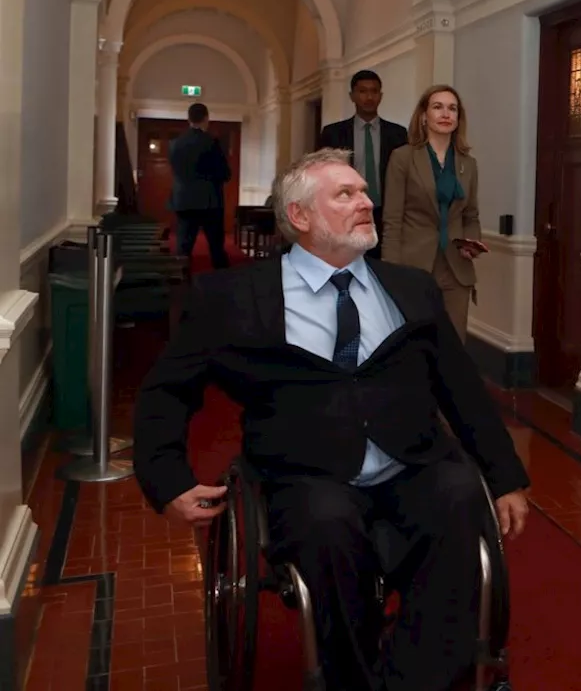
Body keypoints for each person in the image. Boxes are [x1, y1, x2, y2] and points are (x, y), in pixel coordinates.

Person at [133, 148, 530, 691]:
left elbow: (461, 390)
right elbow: (166, 391)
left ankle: (416, 680)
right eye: (346, 194)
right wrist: (167, 477)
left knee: (461, 496)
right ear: (300, 216)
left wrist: (505, 477)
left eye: (364, 191)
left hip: (410, 463)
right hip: (306, 473)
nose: (366, 202)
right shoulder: (233, 297)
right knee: (326, 524)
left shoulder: (411, 288)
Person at [381, 85, 484, 340]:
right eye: (437, 107)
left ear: (459, 118)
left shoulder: (468, 164)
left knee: (453, 343)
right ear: (424, 115)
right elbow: (392, 220)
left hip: (456, 267)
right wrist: (391, 273)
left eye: (452, 109)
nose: (445, 114)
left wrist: (471, 243)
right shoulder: (403, 158)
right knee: (415, 343)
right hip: (414, 265)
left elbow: (471, 215)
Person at [317, 69, 409, 257]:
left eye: (374, 91)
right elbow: (321, 175)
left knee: (382, 270)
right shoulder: (333, 133)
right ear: (352, 96)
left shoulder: (398, 134)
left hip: (386, 214)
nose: (369, 97)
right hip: (346, 211)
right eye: (363, 91)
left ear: (380, 96)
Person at [167, 102, 231, 268]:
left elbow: (176, 170)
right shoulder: (211, 142)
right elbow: (224, 173)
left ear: (188, 119)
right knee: (216, 247)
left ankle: (180, 284)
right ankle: (221, 284)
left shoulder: (175, 144)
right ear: (206, 119)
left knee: (183, 247)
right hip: (209, 201)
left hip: (183, 201)